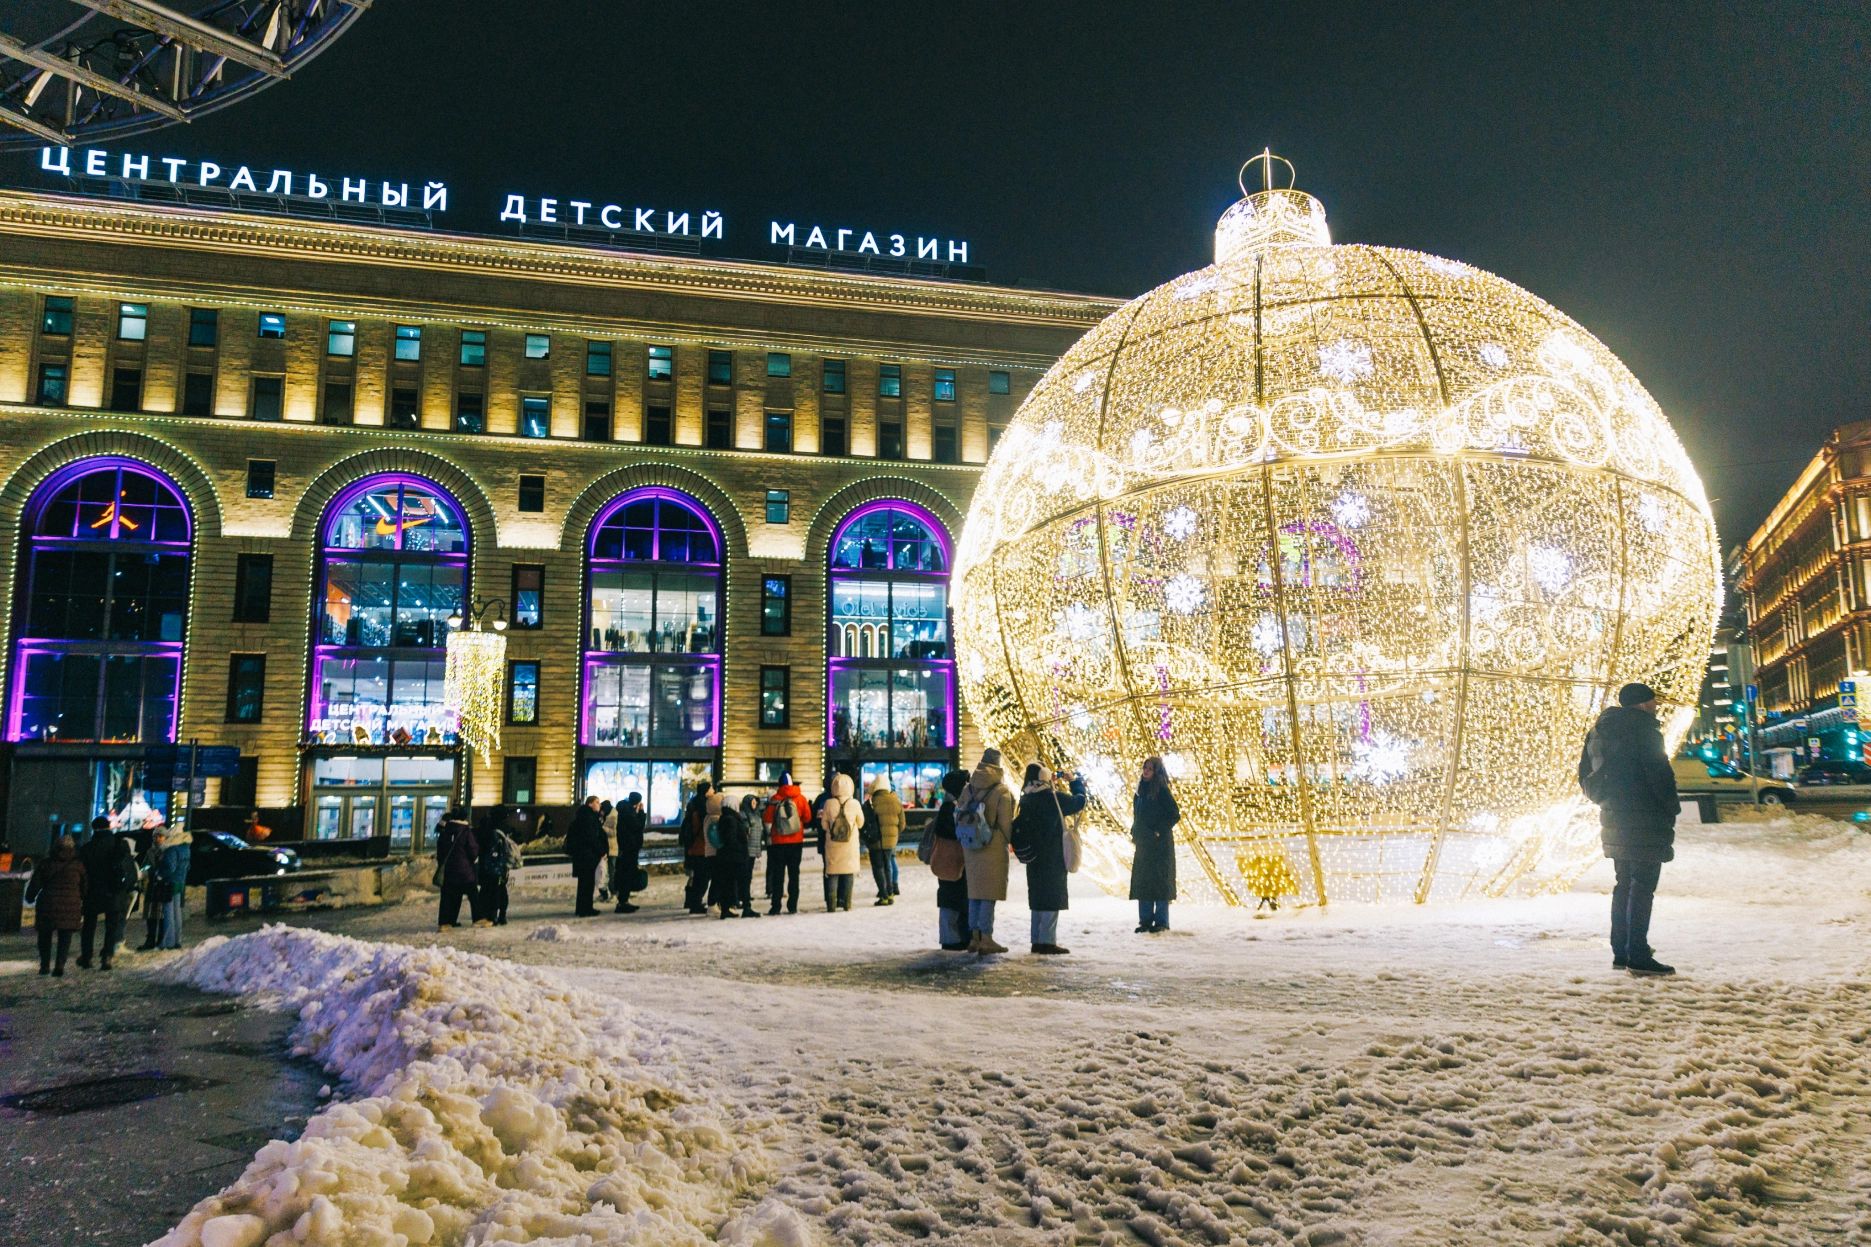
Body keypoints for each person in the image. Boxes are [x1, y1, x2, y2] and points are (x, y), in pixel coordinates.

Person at [1578, 682, 1680, 977]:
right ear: (1643, 703)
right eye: (1653, 700)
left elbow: (1585, 774)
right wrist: (1670, 807)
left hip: (1614, 817)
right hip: (1645, 818)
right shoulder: (1644, 731)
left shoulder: (1599, 731)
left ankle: (1622, 951)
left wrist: (1607, 801)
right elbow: (1659, 774)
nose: (1656, 705)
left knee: (1625, 884)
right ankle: (1637, 953)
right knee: (1643, 886)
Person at [1014, 764, 1088, 955]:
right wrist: (1074, 782)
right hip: (1053, 855)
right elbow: (1079, 802)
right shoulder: (1052, 798)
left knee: (1038, 898)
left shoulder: (1027, 798)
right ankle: (1047, 941)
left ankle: (1037, 941)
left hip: (1034, 857)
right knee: (1052, 898)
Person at [959, 748, 1017, 954]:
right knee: (988, 895)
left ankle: (974, 938)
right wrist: (1014, 842)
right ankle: (987, 938)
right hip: (992, 847)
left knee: (974, 893)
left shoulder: (968, 789)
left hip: (971, 846)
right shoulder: (1001, 791)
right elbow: (1006, 823)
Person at [1129, 756, 1181, 933]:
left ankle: (1161, 921)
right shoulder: (1140, 791)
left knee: (1159, 883)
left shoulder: (1161, 791)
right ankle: (1145, 920)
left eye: (1150, 769)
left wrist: (1159, 830)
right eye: (1145, 768)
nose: (1146, 771)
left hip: (1159, 845)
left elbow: (1174, 814)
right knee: (1144, 882)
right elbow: (1138, 814)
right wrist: (1135, 831)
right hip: (1144, 843)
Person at [77, 818, 137, 969]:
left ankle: (87, 957)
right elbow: (130, 870)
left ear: (94, 829)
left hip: (93, 893)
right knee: (112, 926)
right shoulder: (120, 845)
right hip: (115, 892)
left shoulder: (87, 848)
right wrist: (126, 887)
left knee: (89, 926)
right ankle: (107, 957)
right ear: (109, 828)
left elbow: (81, 873)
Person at [26, 834, 85, 976]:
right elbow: (84, 887)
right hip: (70, 906)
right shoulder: (78, 866)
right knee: (65, 937)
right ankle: (59, 964)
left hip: (48, 904)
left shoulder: (46, 863)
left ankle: (45, 965)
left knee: (45, 936)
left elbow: (35, 884)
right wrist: (78, 898)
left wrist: (30, 897)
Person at [929, 770, 971, 949]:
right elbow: (950, 832)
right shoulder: (950, 807)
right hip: (951, 860)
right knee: (952, 899)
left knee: (954, 898)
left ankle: (954, 938)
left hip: (952, 860)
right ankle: (952, 939)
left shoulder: (952, 805)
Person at [763, 774, 811, 915]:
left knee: (778, 875)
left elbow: (767, 818)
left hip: (778, 843)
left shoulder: (775, 799)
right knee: (794, 874)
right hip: (796, 842)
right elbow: (808, 817)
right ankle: (792, 905)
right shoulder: (800, 798)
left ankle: (776, 906)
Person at [821, 772, 863, 912]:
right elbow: (861, 823)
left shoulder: (829, 803)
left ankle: (831, 905)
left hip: (833, 845)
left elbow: (824, 825)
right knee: (848, 872)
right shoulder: (855, 804)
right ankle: (847, 904)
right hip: (850, 845)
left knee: (833, 873)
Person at [714, 796, 761, 919]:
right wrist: (742, 845)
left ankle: (726, 908)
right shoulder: (731, 818)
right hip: (735, 857)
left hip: (728, 856)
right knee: (743, 881)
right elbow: (731, 839)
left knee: (729, 883)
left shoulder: (725, 817)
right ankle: (746, 907)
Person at [433, 807, 479, 929]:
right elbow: (473, 850)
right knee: (473, 894)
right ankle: (478, 918)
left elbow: (440, 850)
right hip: (464, 871)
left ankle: (445, 922)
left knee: (448, 896)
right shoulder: (466, 831)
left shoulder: (445, 830)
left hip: (448, 870)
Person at [566, 795, 609, 918]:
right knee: (587, 883)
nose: (599, 805)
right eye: (597, 802)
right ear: (590, 804)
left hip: (583, 854)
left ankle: (582, 907)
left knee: (584, 883)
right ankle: (586, 908)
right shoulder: (588, 818)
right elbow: (591, 837)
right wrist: (601, 851)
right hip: (587, 855)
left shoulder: (584, 816)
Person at [477, 806, 520, 927]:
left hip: (489, 865)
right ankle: (501, 915)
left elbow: (483, 846)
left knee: (488, 890)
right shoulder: (505, 828)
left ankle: (490, 915)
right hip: (501, 866)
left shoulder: (490, 828)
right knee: (500, 889)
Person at [867, 779, 904, 906]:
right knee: (888, 866)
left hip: (875, 842)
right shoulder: (896, 802)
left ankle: (883, 895)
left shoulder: (871, 803)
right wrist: (893, 834)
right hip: (890, 842)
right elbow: (902, 824)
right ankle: (890, 893)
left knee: (878, 868)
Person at [155, 823, 192, 950]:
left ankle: (168, 942)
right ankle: (177, 939)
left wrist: (160, 873)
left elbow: (170, 867)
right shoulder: (186, 848)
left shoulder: (172, 849)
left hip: (170, 883)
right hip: (180, 882)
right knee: (177, 912)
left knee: (168, 913)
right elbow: (188, 867)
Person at [681, 782, 713, 914]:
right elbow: (701, 829)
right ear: (706, 792)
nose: (713, 790)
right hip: (700, 847)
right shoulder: (702, 808)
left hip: (693, 847)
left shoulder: (693, 804)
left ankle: (692, 901)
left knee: (697, 876)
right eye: (711, 789)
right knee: (702, 877)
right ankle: (695, 903)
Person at [613, 792, 646, 913]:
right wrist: (641, 813)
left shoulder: (624, 811)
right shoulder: (629, 814)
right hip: (629, 848)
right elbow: (638, 826)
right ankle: (623, 902)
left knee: (625, 874)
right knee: (626, 874)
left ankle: (623, 901)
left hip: (626, 847)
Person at [598, 799, 618, 903]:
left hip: (612, 848)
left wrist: (603, 826)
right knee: (602, 872)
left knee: (611, 872)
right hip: (605, 848)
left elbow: (613, 833)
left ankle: (614, 893)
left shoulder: (613, 816)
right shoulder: (606, 816)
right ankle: (604, 893)